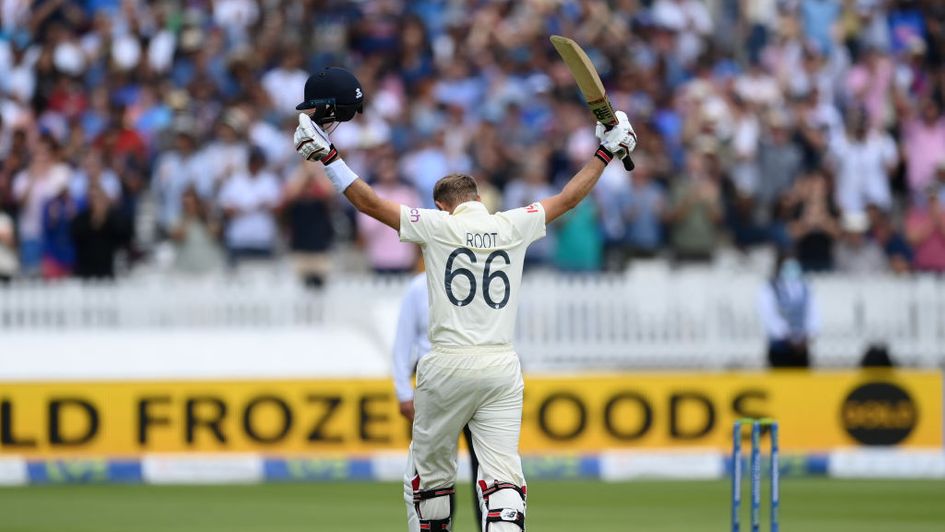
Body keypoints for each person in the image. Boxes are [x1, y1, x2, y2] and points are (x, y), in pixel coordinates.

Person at [291, 66, 636, 532]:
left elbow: (370, 204)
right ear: (479, 200)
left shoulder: (437, 226)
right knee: (502, 483)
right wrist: (606, 151)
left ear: (442, 206)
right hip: (501, 367)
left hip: (446, 364)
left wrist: (329, 157)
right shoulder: (511, 223)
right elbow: (569, 198)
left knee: (430, 481)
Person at [392, 272, 482, 530]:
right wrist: (403, 392)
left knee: (484, 467)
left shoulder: (470, 280)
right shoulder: (419, 287)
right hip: (433, 383)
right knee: (436, 469)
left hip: (472, 377)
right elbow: (403, 341)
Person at [757, 252, 819, 368]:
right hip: (780, 347)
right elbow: (768, 315)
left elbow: (813, 312)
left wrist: (808, 335)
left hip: (802, 347)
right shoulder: (769, 287)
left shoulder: (805, 286)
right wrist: (788, 337)